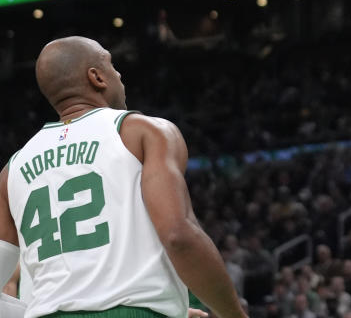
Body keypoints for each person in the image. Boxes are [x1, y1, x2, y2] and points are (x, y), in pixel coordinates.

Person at [0, 37, 246, 318]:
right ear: (97, 77)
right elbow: (179, 236)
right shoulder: (144, 132)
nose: (119, 73)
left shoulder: (13, 169)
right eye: (111, 63)